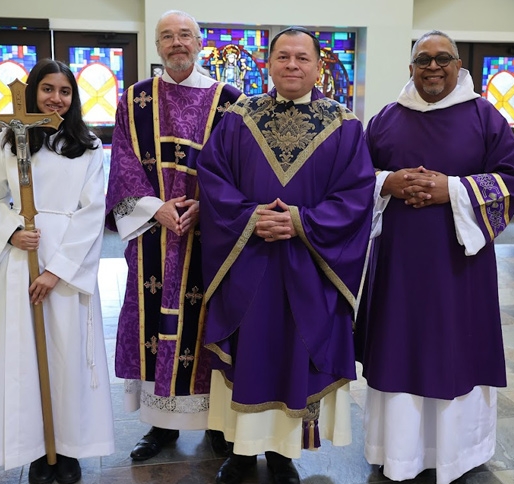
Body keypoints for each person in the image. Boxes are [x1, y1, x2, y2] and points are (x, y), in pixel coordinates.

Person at [198, 26, 375, 484]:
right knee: (247, 350)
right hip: (247, 260)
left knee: (296, 352)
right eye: (282, 57)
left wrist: (301, 222)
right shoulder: (239, 116)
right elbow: (213, 177)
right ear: (269, 64)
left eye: (302, 58)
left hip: (309, 265)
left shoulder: (345, 124)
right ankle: (240, 451)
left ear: (319, 66)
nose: (292, 65)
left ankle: (282, 454)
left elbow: (357, 193)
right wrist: (249, 217)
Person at [355, 30, 514, 484]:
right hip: (396, 265)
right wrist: (387, 183)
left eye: (442, 59)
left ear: (458, 65)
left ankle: (458, 452)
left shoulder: (485, 116)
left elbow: (513, 181)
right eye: (423, 59)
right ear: (410, 66)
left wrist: (449, 188)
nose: (433, 67)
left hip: (458, 266)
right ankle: (395, 451)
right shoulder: (386, 119)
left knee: (455, 347)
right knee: (399, 345)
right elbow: (354, 177)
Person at [105, 9, 243, 462]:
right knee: (151, 325)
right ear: (158, 46)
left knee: (208, 325)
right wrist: (156, 208)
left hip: (212, 238)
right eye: (168, 36)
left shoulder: (232, 101)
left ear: (200, 43)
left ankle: (216, 423)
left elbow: (243, 171)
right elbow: (124, 163)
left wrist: (208, 207)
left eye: (185, 35)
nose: (177, 43)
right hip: (153, 237)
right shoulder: (135, 99)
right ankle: (160, 426)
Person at [0, 58, 114, 484]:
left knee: (68, 355)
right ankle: (37, 448)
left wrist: (57, 271)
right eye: (48, 89)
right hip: (22, 260)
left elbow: (93, 213)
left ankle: (68, 449)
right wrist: (14, 231)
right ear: (32, 92)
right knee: (27, 355)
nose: (56, 98)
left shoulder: (87, 146)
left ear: (74, 98)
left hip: (68, 265)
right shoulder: (9, 143)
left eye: (65, 91)